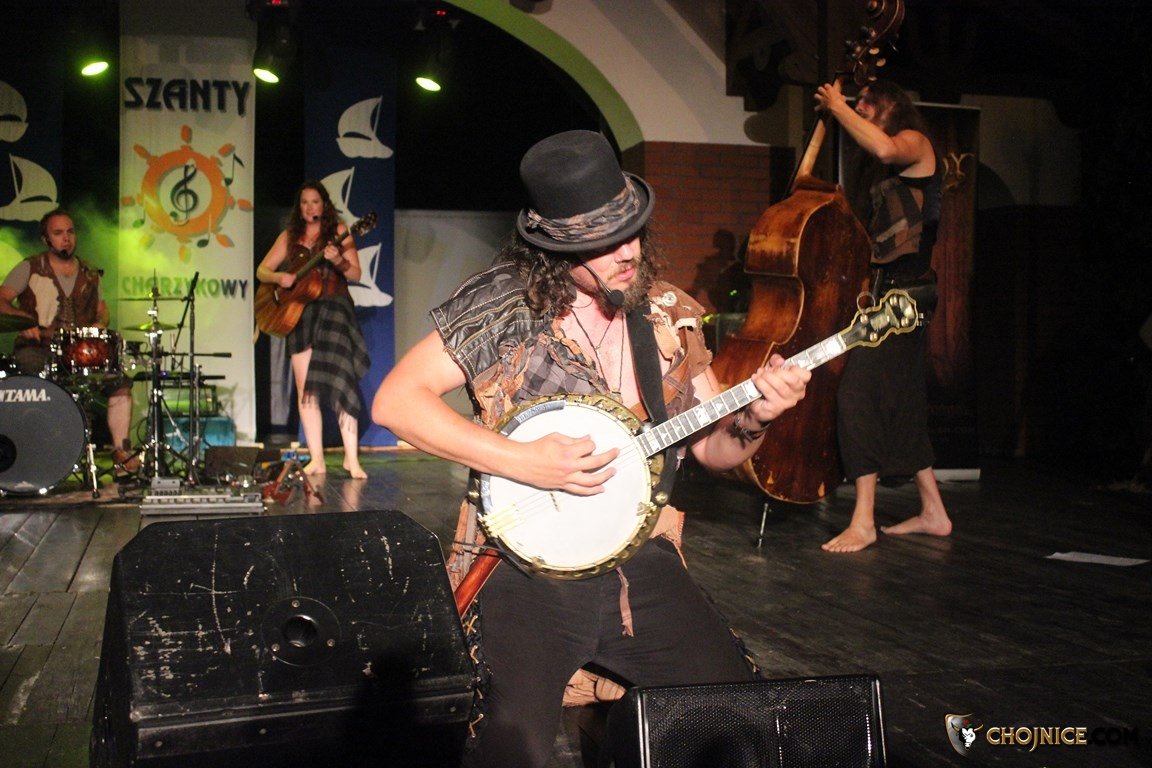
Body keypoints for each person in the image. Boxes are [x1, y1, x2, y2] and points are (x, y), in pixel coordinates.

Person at [372, 130, 810, 767]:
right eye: (603, 242)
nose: (627, 252)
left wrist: (756, 419)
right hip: (525, 567)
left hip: (638, 557)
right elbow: (395, 402)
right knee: (509, 746)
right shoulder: (504, 306)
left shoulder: (665, 315)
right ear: (555, 247)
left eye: (631, 232)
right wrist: (522, 460)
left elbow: (713, 452)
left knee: (736, 712)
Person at [813, 78, 954, 553]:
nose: (860, 109)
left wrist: (836, 106)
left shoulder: (914, 142)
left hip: (906, 297)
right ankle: (934, 511)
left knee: (857, 394)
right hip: (886, 295)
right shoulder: (876, 171)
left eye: (867, 104)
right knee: (902, 400)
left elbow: (886, 147)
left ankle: (864, 520)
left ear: (892, 104)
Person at [0, 209, 136, 476]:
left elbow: (102, 310)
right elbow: (1, 299)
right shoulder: (30, 267)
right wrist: (24, 322)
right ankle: (35, 452)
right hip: (38, 348)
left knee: (120, 383)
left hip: (79, 351)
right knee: (34, 377)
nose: (66, 238)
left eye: (70, 232)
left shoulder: (90, 272)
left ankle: (122, 453)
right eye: (58, 233)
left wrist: (100, 323)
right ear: (46, 239)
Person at [256, 181, 370, 478]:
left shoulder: (339, 231)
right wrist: (279, 278)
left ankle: (351, 459)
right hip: (300, 312)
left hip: (335, 309)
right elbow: (262, 270)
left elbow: (356, 274)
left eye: (315, 201)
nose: (309, 207)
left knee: (342, 382)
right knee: (305, 388)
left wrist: (339, 260)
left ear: (324, 204)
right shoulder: (289, 236)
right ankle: (317, 459)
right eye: (304, 202)